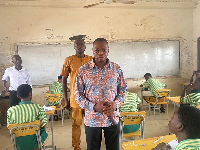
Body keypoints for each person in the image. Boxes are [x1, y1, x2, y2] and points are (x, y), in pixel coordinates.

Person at [74, 38, 127, 150]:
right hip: (92, 120)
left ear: (108, 50)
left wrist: (115, 104)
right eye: (97, 50)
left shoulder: (116, 68)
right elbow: (78, 94)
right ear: (92, 51)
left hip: (112, 118)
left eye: (104, 50)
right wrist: (93, 107)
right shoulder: (83, 70)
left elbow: (122, 90)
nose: (101, 53)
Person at [60, 35, 93, 150]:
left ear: (85, 46)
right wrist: (66, 98)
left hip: (90, 98)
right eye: (77, 44)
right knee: (76, 124)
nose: (79, 46)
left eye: (81, 44)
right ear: (74, 47)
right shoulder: (69, 60)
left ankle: (92, 145)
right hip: (75, 99)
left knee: (91, 124)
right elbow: (64, 79)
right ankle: (76, 146)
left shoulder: (90, 59)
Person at [7, 84, 48, 150]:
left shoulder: (11, 110)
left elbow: (10, 128)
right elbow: (43, 124)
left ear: (18, 96)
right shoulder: (38, 108)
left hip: (19, 145)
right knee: (42, 130)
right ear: (31, 94)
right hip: (35, 143)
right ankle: (40, 146)